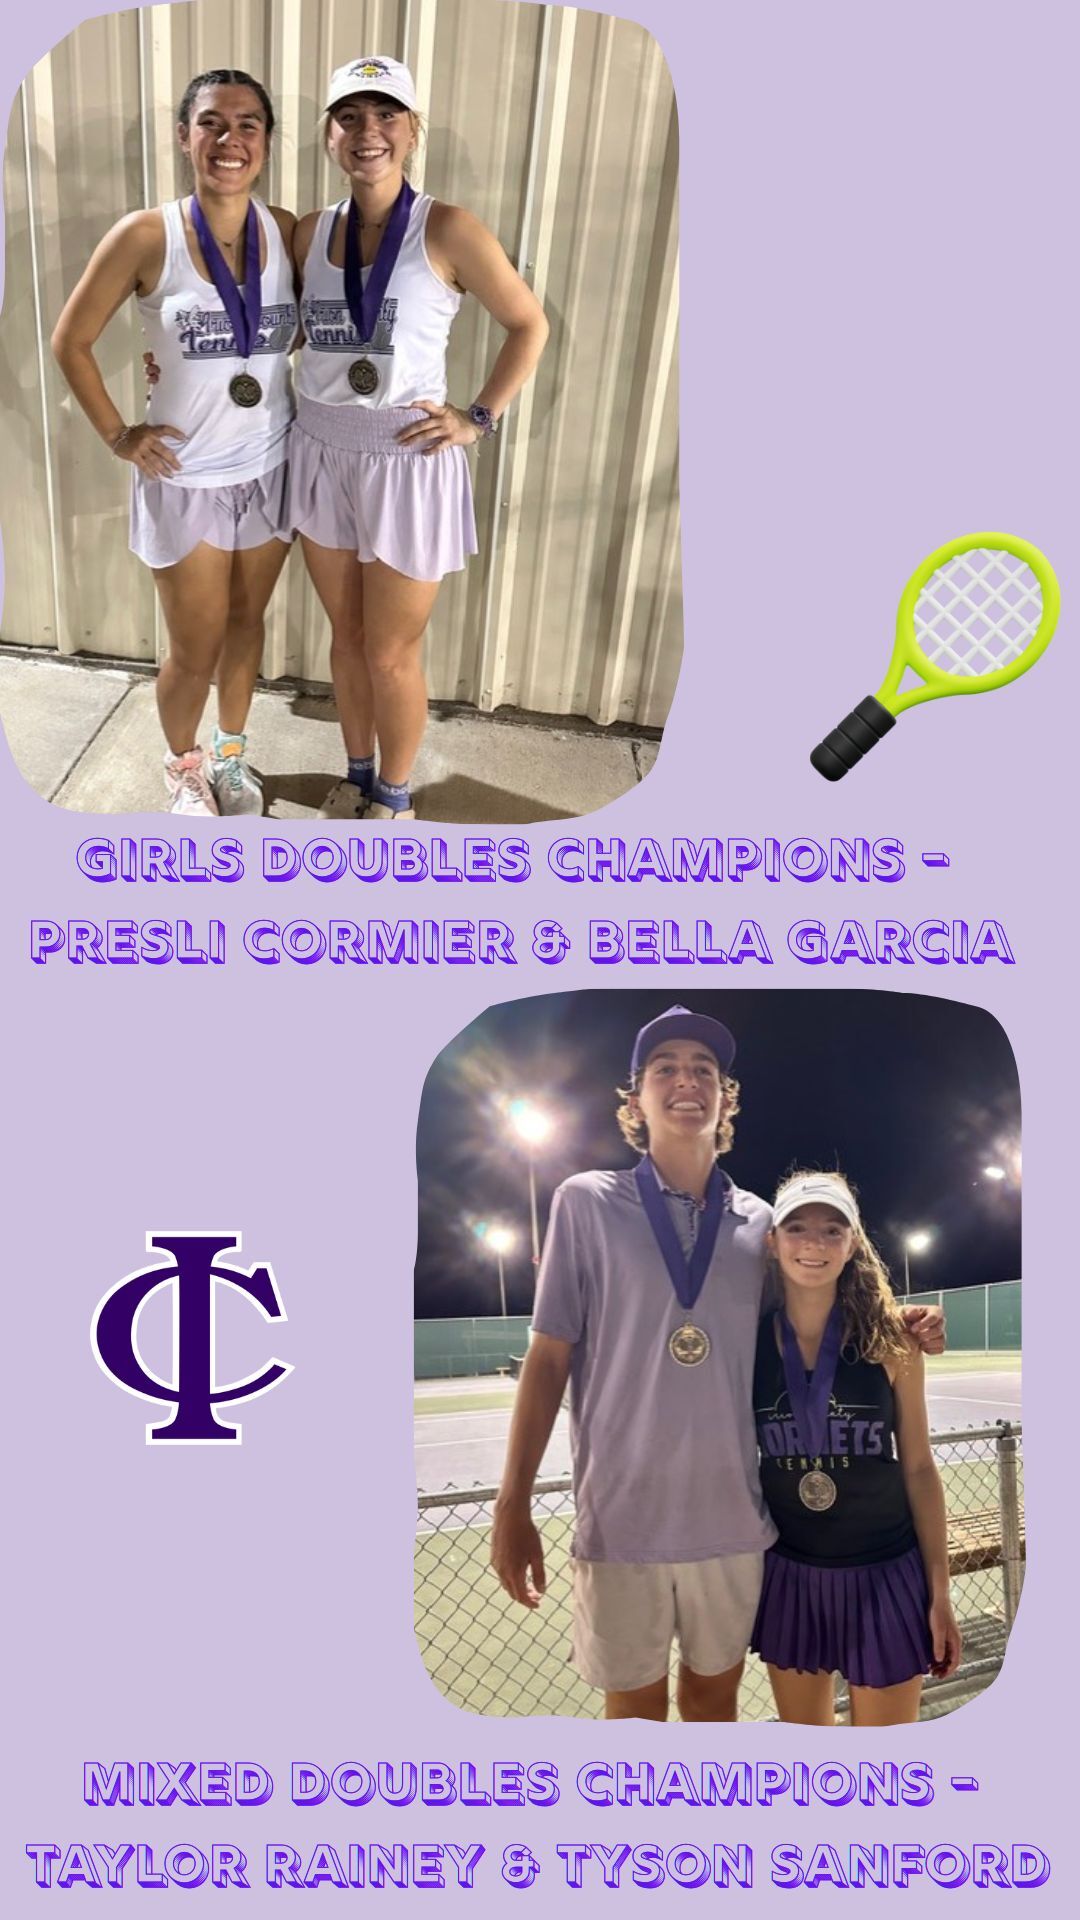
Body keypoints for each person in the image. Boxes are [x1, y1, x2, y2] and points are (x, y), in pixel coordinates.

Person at [490, 1004, 945, 1722]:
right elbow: (547, 1361)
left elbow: (820, 1298)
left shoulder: (761, 1223)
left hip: (735, 1525)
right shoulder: (585, 1202)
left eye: (704, 1070)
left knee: (712, 1702)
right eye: (665, 1069)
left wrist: (901, 1320)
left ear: (726, 1099)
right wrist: (512, 1501)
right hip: (622, 1522)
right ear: (635, 1099)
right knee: (634, 1710)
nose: (686, 1081)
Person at [290, 56, 549, 822]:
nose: (367, 131)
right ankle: (357, 773)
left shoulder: (448, 228)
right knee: (346, 638)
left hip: (406, 458)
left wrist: (477, 417)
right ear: (329, 134)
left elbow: (528, 325)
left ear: (412, 131)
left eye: (386, 115)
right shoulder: (309, 231)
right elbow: (300, 332)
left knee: (390, 651)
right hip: (320, 448)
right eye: (349, 116)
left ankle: (395, 798)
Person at [52, 70, 297, 816]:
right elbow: (70, 340)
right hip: (185, 476)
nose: (230, 140)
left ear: (267, 142)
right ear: (185, 136)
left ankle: (230, 756)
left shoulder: (284, 229)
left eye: (248, 124)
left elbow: (300, 330)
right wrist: (120, 434)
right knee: (195, 648)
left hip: (269, 465)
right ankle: (184, 766)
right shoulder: (145, 234)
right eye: (212, 122)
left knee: (246, 626)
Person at [750, 1171, 962, 1725]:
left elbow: (919, 1468)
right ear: (772, 1241)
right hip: (791, 1572)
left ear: (852, 1245)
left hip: (885, 1572)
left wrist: (939, 1591)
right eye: (796, 1227)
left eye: (832, 1229)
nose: (814, 1243)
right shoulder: (745, 1344)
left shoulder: (893, 1342)